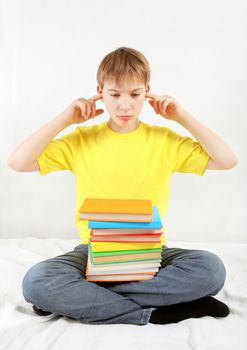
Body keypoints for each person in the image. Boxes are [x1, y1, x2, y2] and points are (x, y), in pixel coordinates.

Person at [8, 47, 238, 325]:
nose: (124, 105)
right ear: (99, 92)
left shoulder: (163, 140)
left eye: (135, 94)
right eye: (114, 94)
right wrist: (65, 118)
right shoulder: (81, 139)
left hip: (152, 253)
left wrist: (181, 116)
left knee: (211, 269)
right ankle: (156, 310)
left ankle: (86, 301)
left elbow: (227, 160)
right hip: (92, 252)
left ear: (148, 92)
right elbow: (18, 162)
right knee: (36, 282)